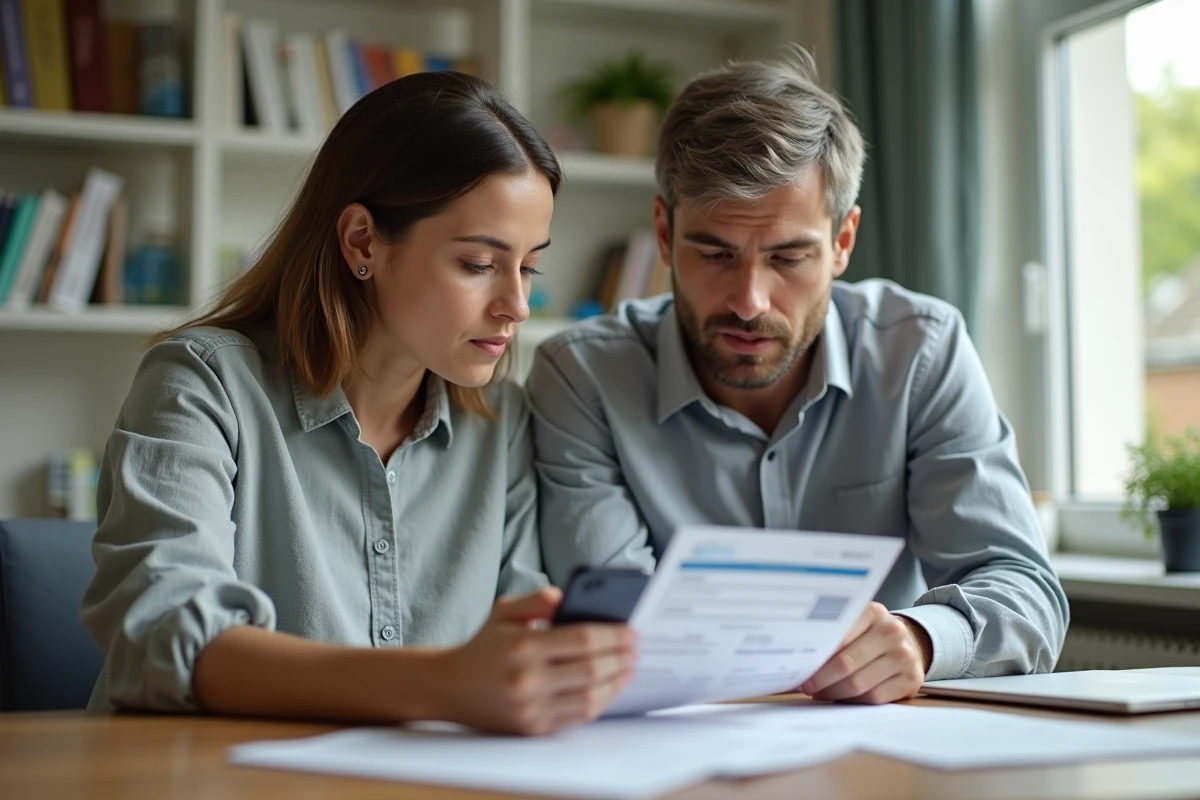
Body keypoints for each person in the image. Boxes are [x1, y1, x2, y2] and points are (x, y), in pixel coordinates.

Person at [80, 72, 635, 735]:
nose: (516, 304)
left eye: (529, 266)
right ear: (363, 242)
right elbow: (164, 640)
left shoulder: (502, 423)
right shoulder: (201, 384)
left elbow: (519, 654)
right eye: (479, 264)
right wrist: (444, 684)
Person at [527, 49, 1068, 705]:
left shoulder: (920, 351)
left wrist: (920, 640)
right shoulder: (582, 376)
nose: (751, 300)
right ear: (664, 235)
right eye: (715, 253)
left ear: (843, 242)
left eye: (789, 257)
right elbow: (620, 629)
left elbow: (1023, 588)